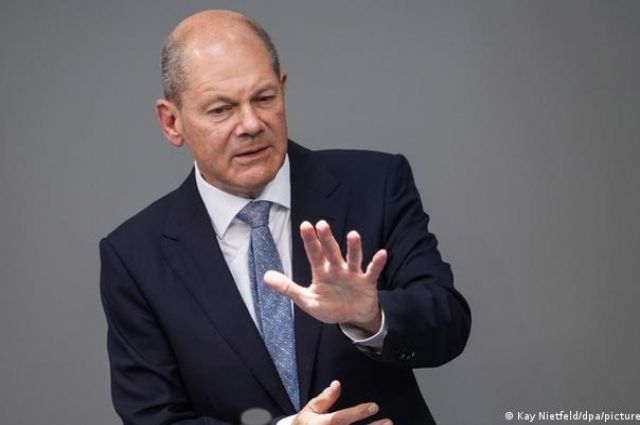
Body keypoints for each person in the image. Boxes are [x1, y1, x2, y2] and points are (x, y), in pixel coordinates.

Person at [99, 9, 471, 425]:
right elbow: (152, 416)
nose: (251, 124)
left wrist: (371, 315)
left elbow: (449, 323)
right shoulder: (133, 256)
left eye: (264, 98)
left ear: (283, 88)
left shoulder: (376, 184)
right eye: (221, 109)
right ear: (172, 122)